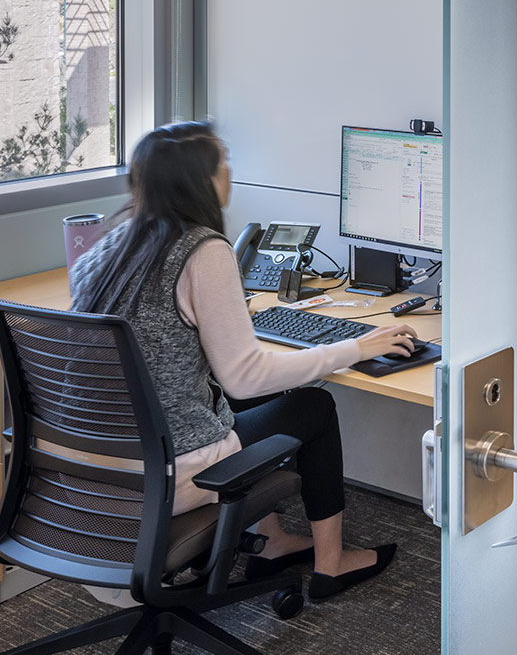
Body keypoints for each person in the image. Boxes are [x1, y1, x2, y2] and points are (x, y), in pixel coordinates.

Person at [70, 121, 419, 601]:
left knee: (251, 394)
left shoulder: (106, 249)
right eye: (224, 162)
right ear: (203, 181)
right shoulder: (203, 251)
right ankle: (332, 564)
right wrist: (358, 347)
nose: (231, 171)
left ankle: (272, 540)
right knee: (314, 406)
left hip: (92, 467)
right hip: (171, 471)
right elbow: (246, 373)